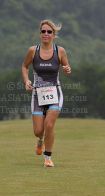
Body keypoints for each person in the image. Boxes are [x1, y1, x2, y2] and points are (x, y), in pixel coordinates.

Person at [22, 19, 71, 167]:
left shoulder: (60, 51)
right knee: (38, 131)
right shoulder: (33, 51)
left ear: (54, 35)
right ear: (40, 33)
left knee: (49, 125)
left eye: (49, 32)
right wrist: (26, 81)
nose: (46, 34)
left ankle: (47, 157)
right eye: (43, 31)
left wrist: (67, 69)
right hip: (38, 94)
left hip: (55, 93)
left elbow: (66, 65)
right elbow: (24, 66)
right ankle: (40, 140)